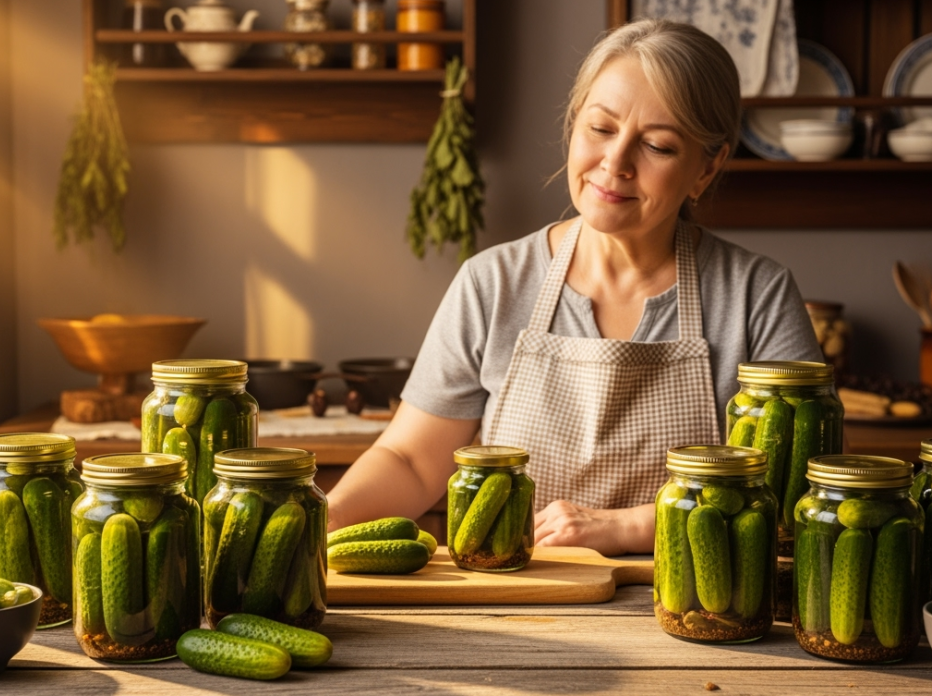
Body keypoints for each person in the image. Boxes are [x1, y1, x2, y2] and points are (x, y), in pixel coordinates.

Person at [326, 19, 822, 555]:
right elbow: (411, 461)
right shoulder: (491, 283)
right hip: (519, 600)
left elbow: (796, 494)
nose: (615, 163)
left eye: (657, 145)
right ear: (572, 126)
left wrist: (627, 527)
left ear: (708, 166)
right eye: (601, 129)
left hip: (697, 612)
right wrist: (318, 520)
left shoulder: (757, 295)